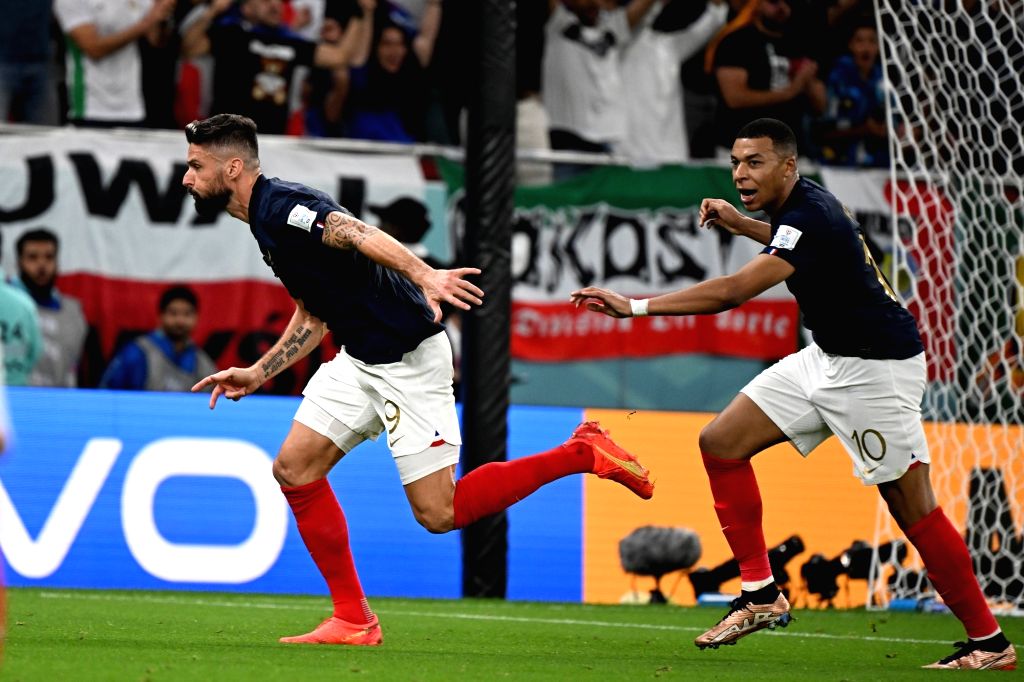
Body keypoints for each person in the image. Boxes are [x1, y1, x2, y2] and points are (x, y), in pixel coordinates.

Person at [181, 113, 654, 646]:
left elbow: (353, 231)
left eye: (196, 166)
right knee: (293, 469)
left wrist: (425, 275)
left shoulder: (283, 206)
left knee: (439, 512)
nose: (187, 178)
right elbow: (313, 316)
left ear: (234, 167)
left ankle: (582, 452)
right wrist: (259, 372)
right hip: (360, 360)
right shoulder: (264, 225)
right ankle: (353, 620)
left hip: (409, 359)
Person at [570, 118, 1016, 671]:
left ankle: (989, 643)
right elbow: (796, 246)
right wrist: (742, 225)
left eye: (754, 162)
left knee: (912, 507)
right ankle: (760, 594)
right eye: (735, 162)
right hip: (824, 358)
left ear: (788, 164)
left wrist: (634, 306)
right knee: (721, 441)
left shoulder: (812, 212)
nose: (740, 173)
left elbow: (732, 293)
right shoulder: (799, 209)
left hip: (875, 371)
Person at [181, 0, 370, 135]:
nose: (275, 5)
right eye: (265, 0)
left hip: (273, 144)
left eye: (279, 1)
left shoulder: (292, 42)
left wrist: (359, 12)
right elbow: (189, 48)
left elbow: (341, 57)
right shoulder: (231, 35)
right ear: (246, 8)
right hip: (228, 140)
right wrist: (213, 10)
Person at [707, 0, 826, 155]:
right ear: (757, 4)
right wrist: (789, 92)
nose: (781, 7)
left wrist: (808, 82)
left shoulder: (800, 44)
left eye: (787, 2)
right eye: (773, 1)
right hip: (742, 148)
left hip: (787, 150)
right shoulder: (735, 41)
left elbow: (820, 107)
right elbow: (734, 98)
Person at [617, 0, 729, 164]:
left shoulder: (669, 47)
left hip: (672, 155)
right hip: (630, 154)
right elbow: (631, 22)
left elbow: (712, 21)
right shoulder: (622, 44)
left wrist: (717, 6)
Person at [53, 0, 177, 126]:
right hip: (89, 107)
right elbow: (94, 49)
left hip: (132, 107)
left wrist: (163, 13)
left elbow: (156, 39)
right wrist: (148, 22)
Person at [99, 284, 217, 392]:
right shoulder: (137, 353)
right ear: (160, 316)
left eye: (187, 314)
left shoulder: (202, 362)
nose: (180, 321)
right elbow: (107, 394)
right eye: (173, 313)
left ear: (196, 318)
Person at [13, 229, 88, 387]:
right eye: (32, 257)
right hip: (12, 403)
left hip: (58, 406)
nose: (42, 265)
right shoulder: (6, 307)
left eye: (49, 257)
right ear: (19, 262)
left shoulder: (74, 313)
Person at [817, 19, 888, 167]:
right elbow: (824, 132)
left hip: (878, 163)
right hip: (838, 163)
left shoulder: (884, 80)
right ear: (850, 45)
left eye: (872, 41)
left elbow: (894, 124)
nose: (866, 48)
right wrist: (864, 130)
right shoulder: (837, 78)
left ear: (878, 47)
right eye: (860, 41)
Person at [0, 234, 42, 387]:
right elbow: (33, 353)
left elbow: (34, 353)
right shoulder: (24, 304)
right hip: (14, 398)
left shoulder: (24, 304)